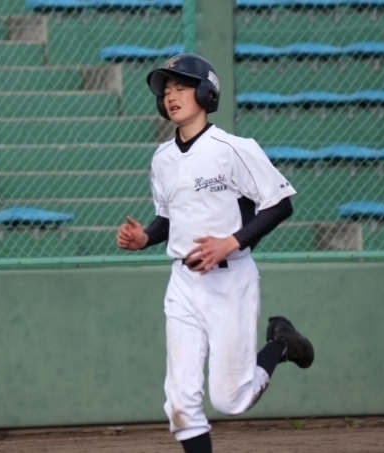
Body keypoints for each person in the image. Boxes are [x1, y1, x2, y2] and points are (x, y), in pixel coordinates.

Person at [115, 54, 315, 453]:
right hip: (183, 283)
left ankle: (280, 342)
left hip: (230, 281)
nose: (171, 96)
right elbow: (168, 219)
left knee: (230, 400)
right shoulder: (162, 159)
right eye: (166, 91)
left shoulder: (232, 148)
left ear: (207, 92)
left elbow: (280, 204)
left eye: (181, 87)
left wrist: (232, 241)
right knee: (180, 403)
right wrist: (144, 238)